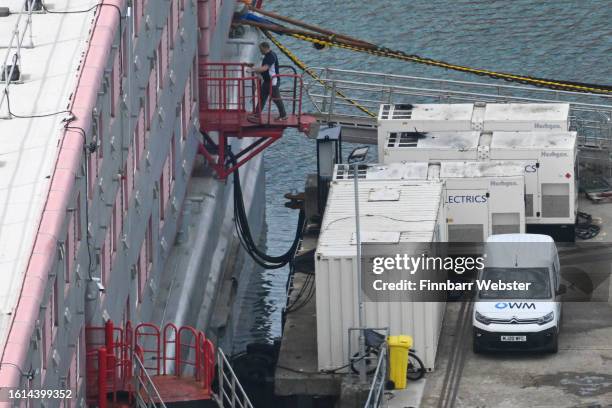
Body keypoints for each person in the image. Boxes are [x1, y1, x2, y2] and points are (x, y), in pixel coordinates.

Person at [248, 42, 287, 120]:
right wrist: (254, 68)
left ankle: (283, 115)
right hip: (267, 81)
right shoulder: (267, 56)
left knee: (276, 99)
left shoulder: (271, 56)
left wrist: (253, 69)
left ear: (265, 48)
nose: (260, 51)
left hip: (273, 82)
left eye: (261, 49)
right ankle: (256, 114)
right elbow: (264, 69)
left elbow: (265, 68)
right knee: (262, 97)